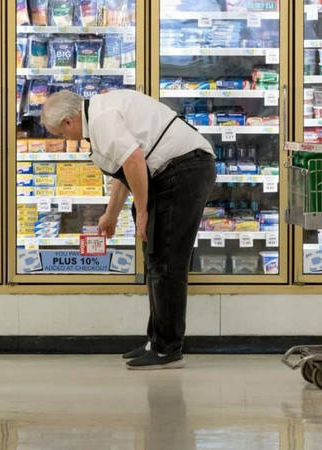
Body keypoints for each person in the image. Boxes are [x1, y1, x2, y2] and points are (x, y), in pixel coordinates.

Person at [41, 89, 216, 370]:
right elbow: (126, 170)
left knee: (167, 262)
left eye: (60, 133)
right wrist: (111, 215)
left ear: (68, 121)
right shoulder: (98, 116)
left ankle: (167, 350)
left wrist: (143, 211)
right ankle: (157, 341)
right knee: (156, 259)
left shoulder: (101, 119)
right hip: (173, 172)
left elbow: (134, 160)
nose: (65, 139)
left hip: (184, 170)